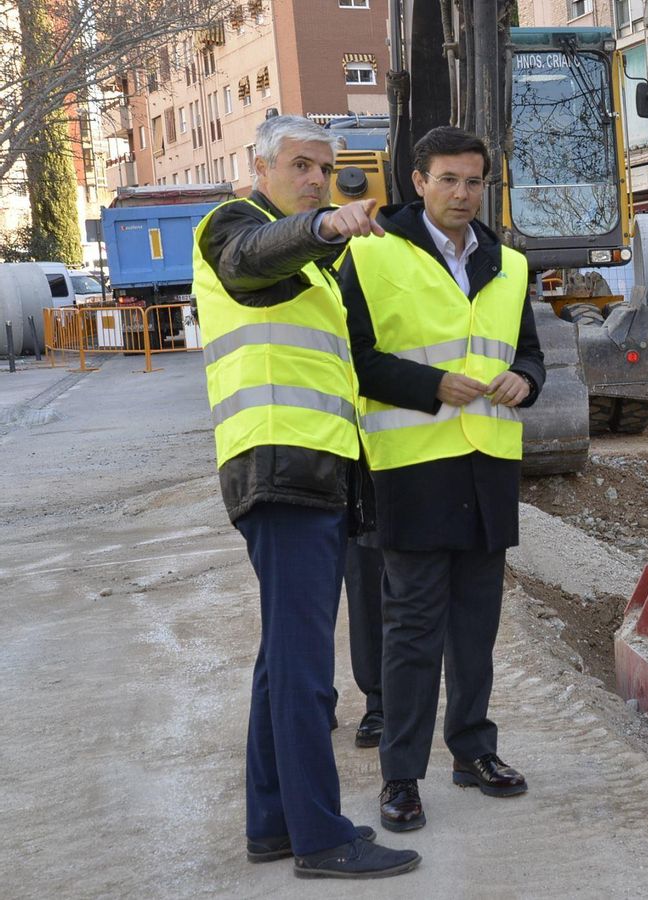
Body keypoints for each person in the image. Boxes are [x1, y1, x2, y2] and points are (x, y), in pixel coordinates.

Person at [194, 114, 419, 879]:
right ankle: (322, 838)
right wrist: (326, 226)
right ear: (261, 168)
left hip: (311, 472)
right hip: (280, 469)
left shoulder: (317, 268)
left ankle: (273, 824)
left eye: (324, 169)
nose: (317, 179)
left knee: (282, 660)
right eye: (301, 165)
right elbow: (253, 257)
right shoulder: (233, 226)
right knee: (304, 669)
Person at [338, 126, 545, 833]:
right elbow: (354, 357)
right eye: (449, 179)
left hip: (489, 466)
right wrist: (430, 385)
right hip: (413, 468)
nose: (463, 193)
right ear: (418, 181)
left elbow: (530, 354)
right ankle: (400, 776)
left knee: (476, 627)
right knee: (413, 631)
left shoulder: (508, 263)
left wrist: (525, 380)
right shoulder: (370, 254)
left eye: (474, 181)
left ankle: (473, 750)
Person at [344, 462, 385, 749]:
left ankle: (381, 699)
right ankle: (314, 697)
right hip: (302, 467)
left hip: (361, 463)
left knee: (368, 579)